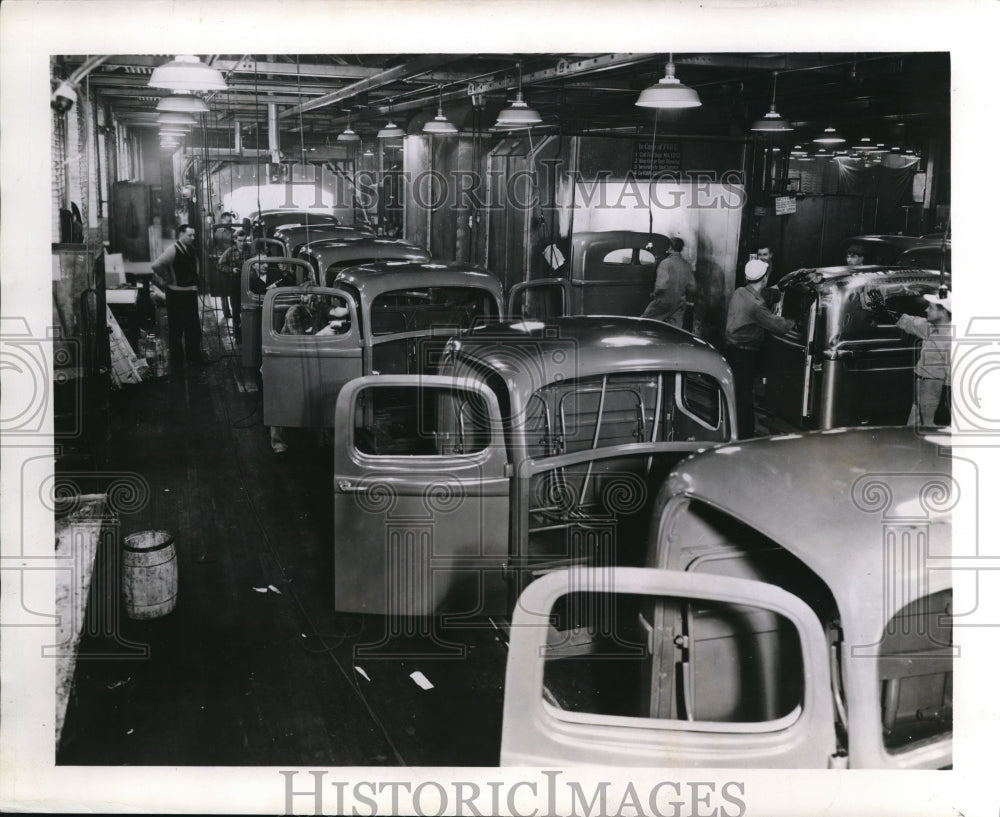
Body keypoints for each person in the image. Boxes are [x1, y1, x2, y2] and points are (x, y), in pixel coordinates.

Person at [724, 258, 796, 439]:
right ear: (764, 279)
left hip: (731, 350)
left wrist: (777, 290)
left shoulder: (739, 292)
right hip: (744, 354)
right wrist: (796, 321)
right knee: (744, 397)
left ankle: (734, 430)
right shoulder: (756, 307)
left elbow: (761, 296)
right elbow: (779, 326)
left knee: (736, 393)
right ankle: (745, 437)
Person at [869, 289, 952, 427]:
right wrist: (884, 310)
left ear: (943, 313)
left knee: (929, 435)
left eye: (930, 307)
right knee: (911, 432)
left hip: (935, 393)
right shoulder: (931, 327)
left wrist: (943, 407)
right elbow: (910, 322)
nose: (926, 310)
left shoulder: (951, 339)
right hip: (923, 388)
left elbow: (951, 378)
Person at [151, 223, 204, 367]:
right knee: (176, 327)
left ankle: (194, 358)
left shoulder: (191, 249)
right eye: (189, 235)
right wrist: (167, 278)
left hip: (189, 293)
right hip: (176, 294)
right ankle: (177, 362)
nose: (193, 237)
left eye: (194, 235)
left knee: (193, 328)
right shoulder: (172, 249)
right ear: (181, 235)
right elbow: (156, 265)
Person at [640, 236, 696, 328]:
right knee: (674, 329)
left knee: (644, 322)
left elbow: (661, 286)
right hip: (680, 302)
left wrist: (654, 293)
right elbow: (692, 287)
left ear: (670, 247)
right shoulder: (687, 265)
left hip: (665, 300)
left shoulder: (665, 263)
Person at [217, 228, 256, 343]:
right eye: (240, 240)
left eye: (244, 240)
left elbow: (256, 262)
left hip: (248, 282)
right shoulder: (229, 251)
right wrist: (231, 269)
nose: (242, 243)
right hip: (234, 283)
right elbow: (219, 265)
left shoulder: (250, 249)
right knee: (235, 310)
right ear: (235, 240)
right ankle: (238, 336)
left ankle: (248, 334)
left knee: (248, 309)